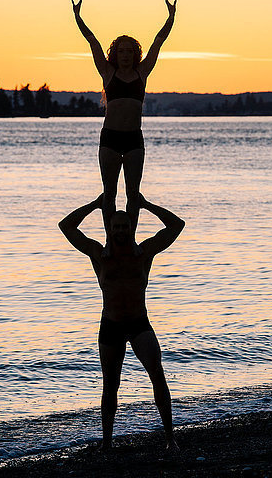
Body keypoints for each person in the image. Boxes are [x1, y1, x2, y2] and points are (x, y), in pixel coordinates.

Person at [58, 193, 185, 451]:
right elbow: (66, 226)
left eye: (124, 226)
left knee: (157, 375)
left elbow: (176, 225)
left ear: (131, 227)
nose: (120, 230)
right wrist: (95, 205)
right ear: (109, 228)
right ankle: (107, 443)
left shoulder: (144, 252)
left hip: (139, 323)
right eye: (115, 226)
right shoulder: (98, 254)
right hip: (111, 325)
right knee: (110, 385)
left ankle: (171, 439)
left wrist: (145, 204)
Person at [71, 0, 177, 244]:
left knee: (133, 194)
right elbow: (92, 40)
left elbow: (158, 41)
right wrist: (78, 18)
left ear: (135, 54)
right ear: (115, 54)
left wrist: (171, 18)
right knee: (109, 194)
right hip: (110, 138)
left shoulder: (143, 72)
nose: (126, 55)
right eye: (122, 51)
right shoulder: (107, 72)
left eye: (130, 51)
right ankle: (110, 241)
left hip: (133, 140)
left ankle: (129, 240)